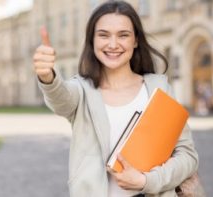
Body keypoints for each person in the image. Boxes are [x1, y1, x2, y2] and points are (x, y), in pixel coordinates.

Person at [33, 1, 198, 197]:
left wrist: (146, 181)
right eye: (103, 35)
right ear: (92, 40)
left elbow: (187, 156)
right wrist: (47, 76)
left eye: (123, 35)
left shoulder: (159, 89)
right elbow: (60, 99)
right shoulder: (82, 91)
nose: (113, 44)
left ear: (135, 40)